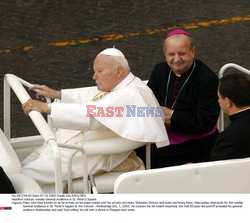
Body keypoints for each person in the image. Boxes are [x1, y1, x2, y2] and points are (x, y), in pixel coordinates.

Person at [21, 48, 169, 186]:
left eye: (99, 71)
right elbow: (92, 95)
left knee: (27, 177)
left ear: (118, 71)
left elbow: (94, 115)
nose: (93, 76)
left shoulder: (132, 94)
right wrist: (58, 94)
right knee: (27, 164)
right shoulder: (123, 85)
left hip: (94, 153)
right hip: (80, 142)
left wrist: (48, 107)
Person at [147, 28, 220, 168]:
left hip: (196, 143)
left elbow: (206, 122)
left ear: (193, 52)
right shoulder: (160, 70)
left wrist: (172, 117)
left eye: (182, 53)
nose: (176, 59)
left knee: (150, 159)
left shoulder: (207, 79)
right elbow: (148, 102)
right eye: (171, 54)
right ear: (165, 55)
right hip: (161, 134)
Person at [210, 72, 250, 161]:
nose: (218, 101)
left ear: (228, 102)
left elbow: (216, 168)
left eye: (219, 97)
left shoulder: (228, 138)